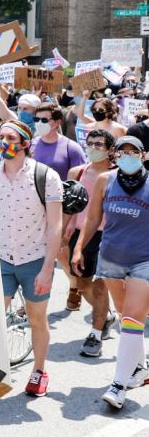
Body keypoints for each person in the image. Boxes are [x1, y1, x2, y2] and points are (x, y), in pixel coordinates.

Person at [0, 112, 64, 396]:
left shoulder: (45, 176)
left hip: (34, 259)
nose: (4, 142)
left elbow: (55, 225)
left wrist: (47, 268)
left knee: (36, 319)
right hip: (2, 259)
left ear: (24, 143)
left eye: (10, 138)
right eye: (1, 137)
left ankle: (39, 371)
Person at [74, 136, 149, 409]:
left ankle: (118, 385)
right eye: (123, 152)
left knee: (131, 319)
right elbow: (93, 218)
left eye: (134, 152)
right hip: (112, 258)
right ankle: (140, 368)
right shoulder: (105, 180)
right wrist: (79, 247)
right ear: (115, 156)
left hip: (144, 261)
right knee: (126, 317)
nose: (128, 156)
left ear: (144, 155)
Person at [66, 129, 116, 357]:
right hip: (81, 235)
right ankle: (105, 315)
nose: (93, 148)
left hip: (108, 236)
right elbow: (69, 206)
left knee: (98, 286)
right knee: (83, 284)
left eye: (99, 144)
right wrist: (63, 234)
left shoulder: (116, 175)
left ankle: (96, 334)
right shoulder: (77, 173)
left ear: (109, 150)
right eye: (91, 143)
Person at [31, 101, 86, 181]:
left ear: (57, 122)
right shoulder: (31, 144)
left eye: (44, 120)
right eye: (36, 119)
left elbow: (81, 178)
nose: (39, 123)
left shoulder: (72, 148)